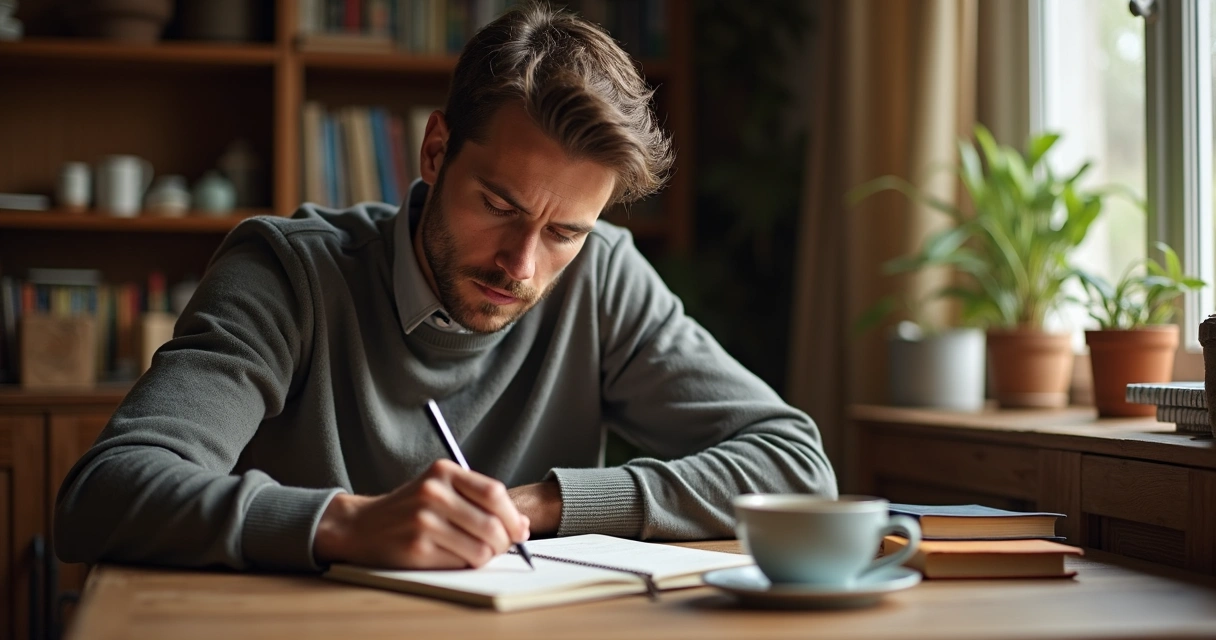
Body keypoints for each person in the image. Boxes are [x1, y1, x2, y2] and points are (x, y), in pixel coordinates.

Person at [54, 4, 836, 573]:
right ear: (435, 152)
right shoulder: (288, 274)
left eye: (564, 231)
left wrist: (544, 505)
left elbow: (796, 464)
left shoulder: (602, 276)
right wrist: (345, 524)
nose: (520, 266)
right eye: (499, 206)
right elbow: (106, 493)